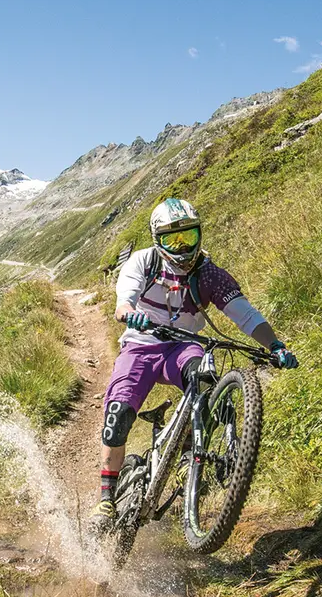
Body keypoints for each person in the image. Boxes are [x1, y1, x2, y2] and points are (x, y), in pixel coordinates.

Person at [90, 197, 299, 532]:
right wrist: (130, 314)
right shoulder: (144, 263)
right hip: (141, 347)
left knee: (204, 379)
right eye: (173, 240)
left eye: (188, 237)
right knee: (117, 416)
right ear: (157, 240)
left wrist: (274, 345)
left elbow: (245, 315)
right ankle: (106, 499)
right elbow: (123, 302)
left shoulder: (210, 275)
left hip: (183, 347)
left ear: (200, 233)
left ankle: (190, 451)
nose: (182, 247)